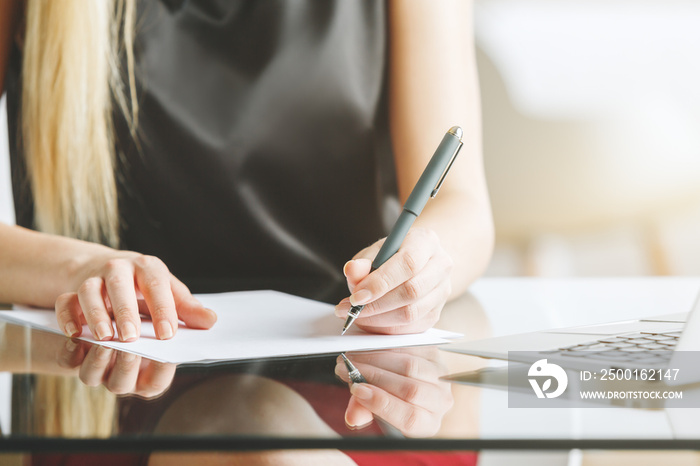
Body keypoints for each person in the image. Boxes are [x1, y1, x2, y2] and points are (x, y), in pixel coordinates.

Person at [0, 0, 493, 343]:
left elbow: (461, 206)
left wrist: (425, 266)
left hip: (358, 365)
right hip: (120, 359)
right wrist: (78, 267)